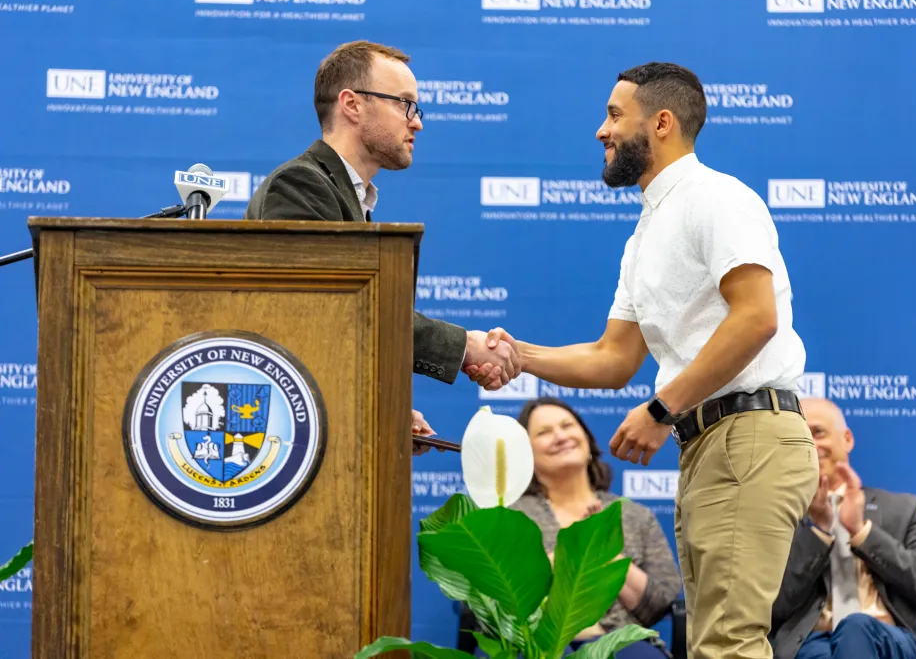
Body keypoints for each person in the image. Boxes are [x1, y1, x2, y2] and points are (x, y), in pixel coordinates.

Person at [466, 62, 819, 659]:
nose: (600, 132)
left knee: (728, 644)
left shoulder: (715, 197)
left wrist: (661, 408)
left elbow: (756, 318)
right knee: (714, 645)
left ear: (661, 122)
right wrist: (520, 357)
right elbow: (613, 357)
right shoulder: (643, 236)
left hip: (748, 437)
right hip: (710, 444)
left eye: (612, 116)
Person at [242, 40, 520, 448]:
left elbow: (332, 340)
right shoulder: (299, 185)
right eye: (404, 104)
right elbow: (331, 311)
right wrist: (463, 347)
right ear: (352, 105)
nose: (417, 122)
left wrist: (379, 406)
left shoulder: (344, 194)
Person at [769, 398, 916, 659]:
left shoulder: (904, 509)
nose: (810, 445)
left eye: (818, 432)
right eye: (799, 437)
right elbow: (775, 606)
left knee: (856, 628)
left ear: (847, 439)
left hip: (888, 640)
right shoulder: (779, 517)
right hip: (813, 643)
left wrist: (861, 532)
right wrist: (819, 531)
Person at [510, 397, 682, 658]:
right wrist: (572, 550)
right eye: (544, 433)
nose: (559, 436)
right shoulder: (511, 515)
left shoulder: (633, 516)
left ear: (587, 441)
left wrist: (603, 548)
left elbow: (659, 605)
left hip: (622, 642)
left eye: (567, 426)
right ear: (527, 453)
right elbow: (499, 598)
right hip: (535, 642)